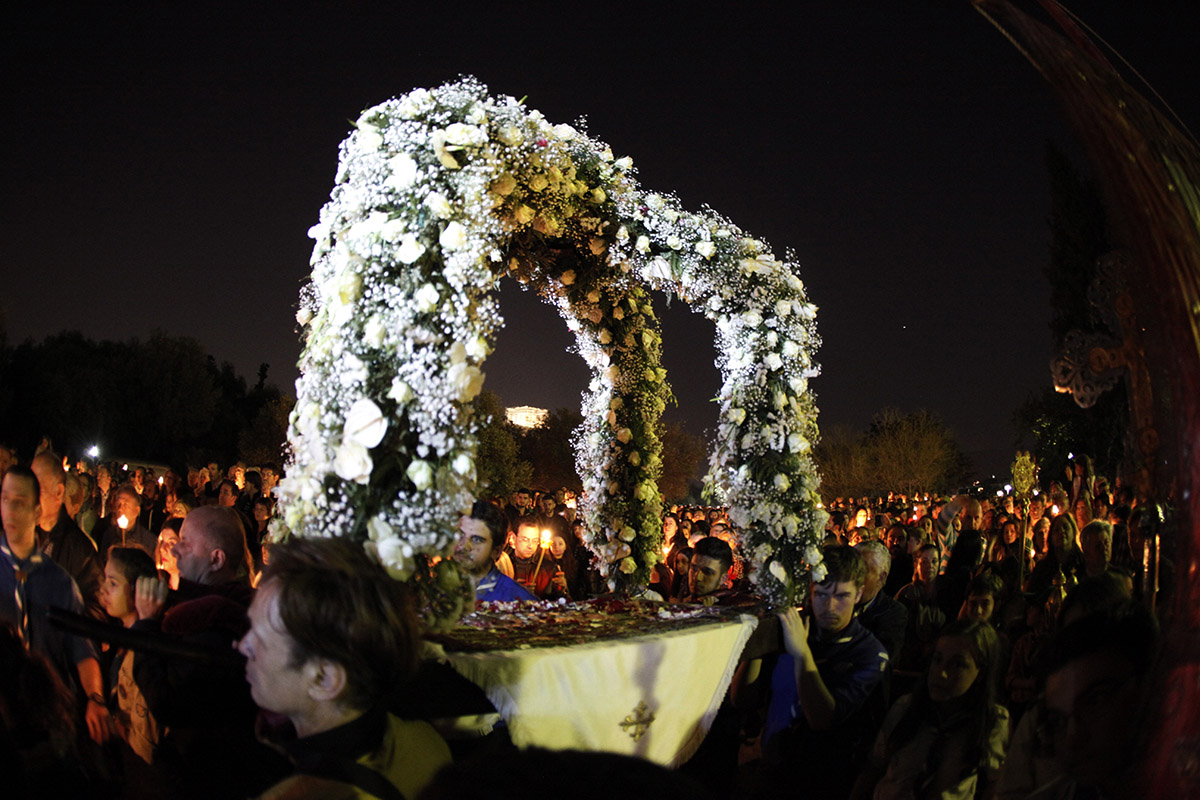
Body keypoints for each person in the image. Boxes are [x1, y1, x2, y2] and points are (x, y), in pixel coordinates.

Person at [240, 536, 451, 799]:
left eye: (260, 639)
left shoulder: (304, 794)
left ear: (324, 679)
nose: (242, 646)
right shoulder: (423, 739)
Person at [747, 546, 889, 798]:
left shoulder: (869, 654)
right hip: (770, 769)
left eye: (842, 596)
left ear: (859, 595)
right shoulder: (794, 628)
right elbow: (744, 697)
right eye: (822, 594)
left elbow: (823, 718)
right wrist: (758, 638)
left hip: (822, 781)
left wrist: (802, 654)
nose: (830, 607)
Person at [0, 466, 114, 744]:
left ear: (37, 512)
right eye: (4, 499)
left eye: (20, 502)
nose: (10, 510)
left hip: (47, 715)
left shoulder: (60, 583)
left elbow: (82, 648)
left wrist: (95, 698)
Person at [851, 619, 1009, 800]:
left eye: (958, 665)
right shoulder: (908, 707)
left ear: (981, 671)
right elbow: (873, 767)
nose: (941, 672)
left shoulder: (990, 722)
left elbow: (993, 785)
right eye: (938, 659)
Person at [30, 451, 105, 619]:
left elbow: (97, 611)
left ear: (58, 492)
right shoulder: (20, 533)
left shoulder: (80, 549)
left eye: (38, 487)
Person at [453, 500, 536, 603]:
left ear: (496, 551)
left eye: (476, 540)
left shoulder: (519, 601)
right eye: (460, 536)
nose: (464, 546)